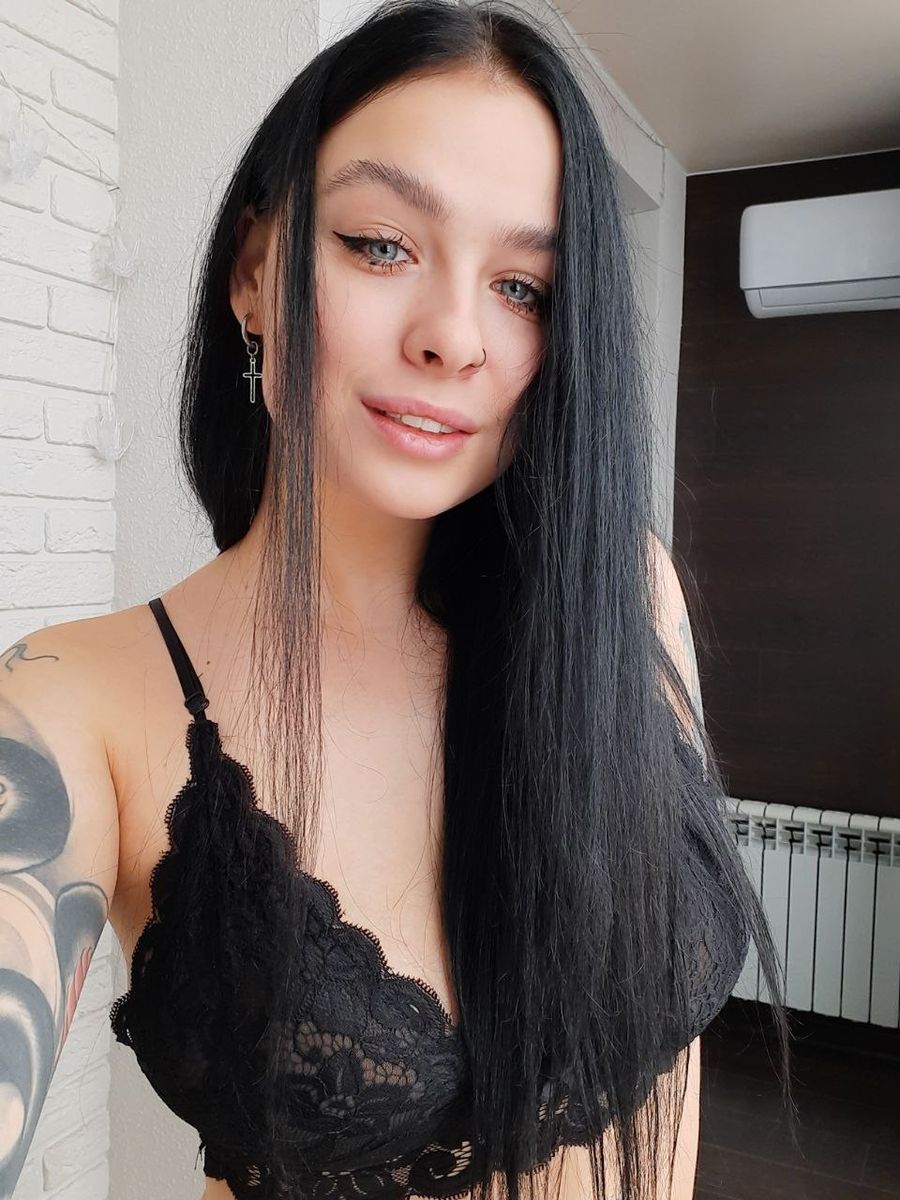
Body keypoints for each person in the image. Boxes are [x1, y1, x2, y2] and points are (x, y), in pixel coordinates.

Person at [0, 2, 798, 1198]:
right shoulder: (82, 707)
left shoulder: (625, 599)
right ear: (255, 273)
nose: (454, 337)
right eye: (381, 245)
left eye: (524, 288)